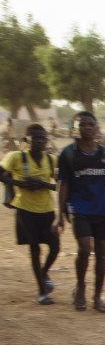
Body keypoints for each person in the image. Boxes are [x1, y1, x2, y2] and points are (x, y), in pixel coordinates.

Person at [54, 111, 105, 313]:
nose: (87, 128)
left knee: (102, 254)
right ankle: (80, 287)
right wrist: (59, 215)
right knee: (84, 249)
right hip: (78, 206)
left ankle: (97, 297)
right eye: (82, 124)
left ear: (97, 128)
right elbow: (62, 185)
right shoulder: (68, 154)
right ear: (75, 128)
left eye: (91, 124)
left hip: (101, 208)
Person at [1, 124, 60, 304]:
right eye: (35, 138)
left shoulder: (51, 160)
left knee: (55, 247)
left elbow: (60, 185)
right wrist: (20, 184)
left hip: (46, 209)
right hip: (25, 210)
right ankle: (42, 292)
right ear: (27, 140)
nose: (40, 141)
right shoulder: (16, 157)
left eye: (43, 138)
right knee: (35, 249)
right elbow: (2, 174)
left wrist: (43, 185)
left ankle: (42, 273)